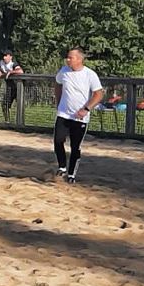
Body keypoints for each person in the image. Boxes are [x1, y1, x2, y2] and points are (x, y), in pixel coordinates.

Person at [53, 48, 105, 184]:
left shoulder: (90, 75)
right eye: (67, 57)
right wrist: (58, 102)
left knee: (75, 146)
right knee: (58, 140)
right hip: (64, 113)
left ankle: (71, 174)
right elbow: (58, 84)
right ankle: (62, 167)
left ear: (79, 59)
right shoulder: (63, 71)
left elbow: (98, 94)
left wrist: (86, 109)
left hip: (79, 116)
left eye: (71, 57)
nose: (68, 60)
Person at [0, 50, 24, 122]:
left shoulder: (13, 64)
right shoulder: (1, 62)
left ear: (10, 57)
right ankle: (7, 122)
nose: (4, 57)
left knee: (19, 106)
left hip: (18, 88)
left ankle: (20, 124)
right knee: (5, 105)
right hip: (10, 88)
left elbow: (20, 71)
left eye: (6, 56)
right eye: (3, 56)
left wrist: (10, 72)